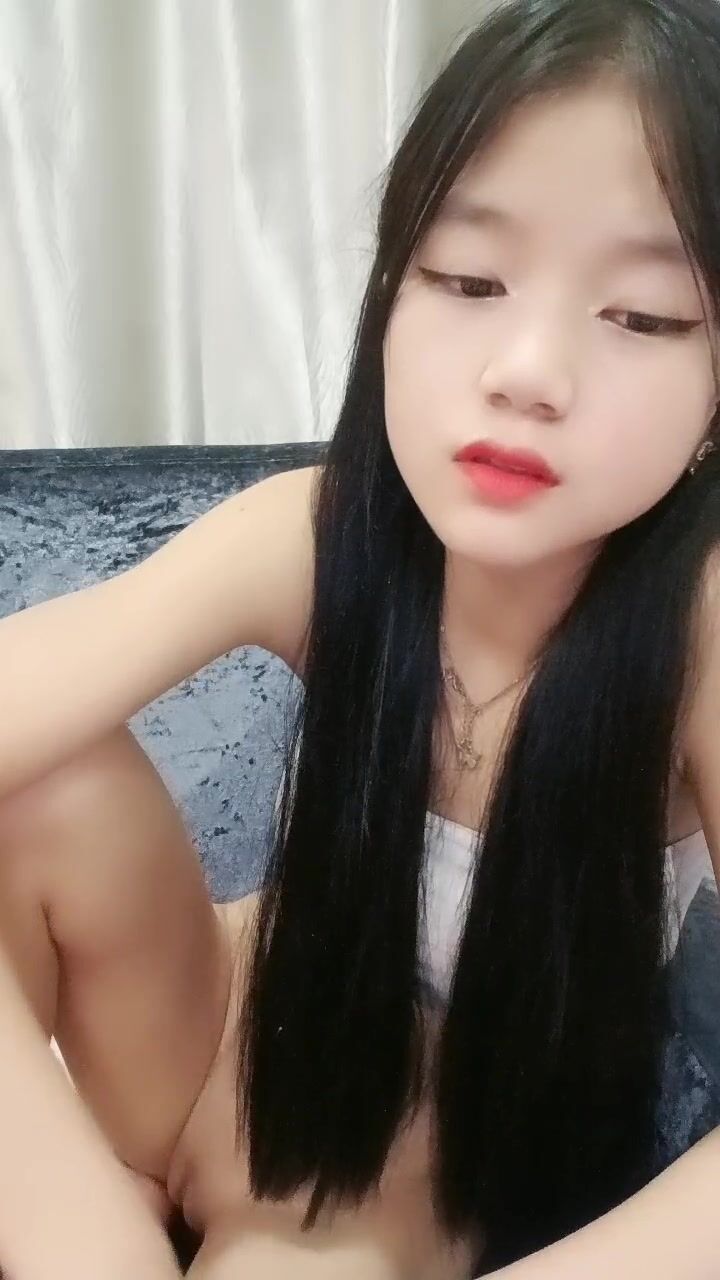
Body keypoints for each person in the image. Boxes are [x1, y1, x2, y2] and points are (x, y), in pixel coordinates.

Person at [4, 0, 720, 1275]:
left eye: (643, 316)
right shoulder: (322, 531)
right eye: (469, 280)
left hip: (425, 1145)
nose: (528, 370)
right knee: (43, 779)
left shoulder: (699, 635)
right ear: (391, 292)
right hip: (212, 1015)